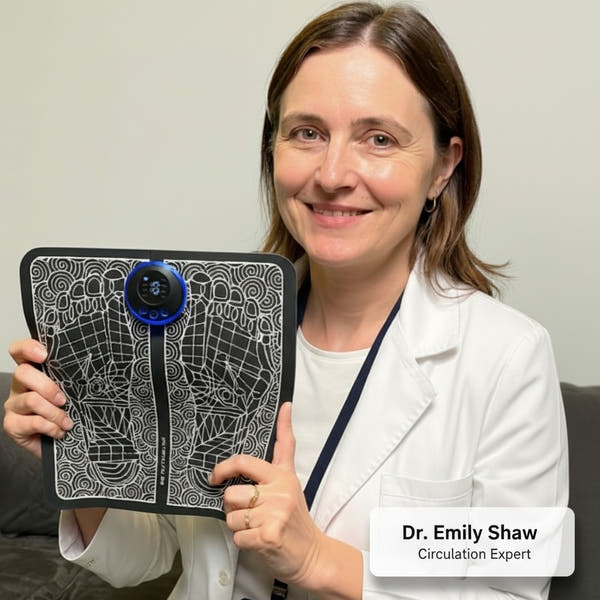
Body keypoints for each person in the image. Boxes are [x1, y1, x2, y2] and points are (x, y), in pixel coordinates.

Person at [4, 2, 567, 599]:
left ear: (442, 167)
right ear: (272, 149)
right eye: (307, 133)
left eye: (379, 139)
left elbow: (512, 589)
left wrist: (317, 559)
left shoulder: (507, 358)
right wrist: (79, 452)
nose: (332, 173)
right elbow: (146, 555)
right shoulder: (212, 323)